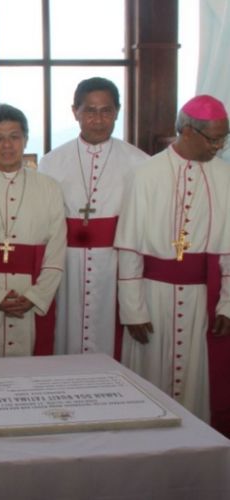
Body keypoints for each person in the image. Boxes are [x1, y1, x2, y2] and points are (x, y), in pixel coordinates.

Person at [114, 95, 230, 434]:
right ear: (188, 131)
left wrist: (227, 304)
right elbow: (130, 249)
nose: (219, 145)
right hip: (152, 297)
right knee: (149, 384)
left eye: (224, 137)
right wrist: (133, 311)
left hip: (200, 301)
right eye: (213, 138)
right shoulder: (145, 174)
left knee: (197, 383)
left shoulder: (226, 177)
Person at [38, 77, 148, 358]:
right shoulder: (51, 162)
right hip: (66, 264)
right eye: (90, 110)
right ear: (75, 112)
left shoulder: (139, 163)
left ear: (117, 112)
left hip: (114, 264)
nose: (98, 120)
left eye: (106, 111)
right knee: (64, 333)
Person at [0, 103, 66, 357]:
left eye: (14, 137)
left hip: (32, 297)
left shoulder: (50, 188)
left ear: (26, 140)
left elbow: (57, 249)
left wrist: (37, 296)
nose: (7, 146)